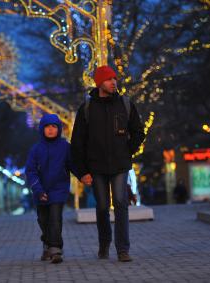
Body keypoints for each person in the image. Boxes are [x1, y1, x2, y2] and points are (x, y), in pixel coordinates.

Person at [71, 65, 145, 262]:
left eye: (115, 79)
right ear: (99, 83)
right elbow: (77, 142)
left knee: (121, 203)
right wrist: (82, 172)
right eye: (109, 79)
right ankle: (104, 243)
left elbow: (139, 131)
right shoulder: (87, 108)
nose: (114, 82)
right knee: (103, 206)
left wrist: (128, 150)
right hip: (96, 166)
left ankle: (123, 249)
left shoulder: (125, 104)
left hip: (120, 164)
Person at [25, 114, 76, 264]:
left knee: (55, 218)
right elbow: (31, 171)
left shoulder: (65, 147)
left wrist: (84, 175)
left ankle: (55, 248)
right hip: (40, 190)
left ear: (59, 129)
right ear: (42, 129)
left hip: (59, 188)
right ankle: (47, 243)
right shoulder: (36, 149)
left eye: (54, 126)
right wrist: (38, 190)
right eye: (47, 127)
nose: (51, 129)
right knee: (43, 220)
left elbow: (73, 165)